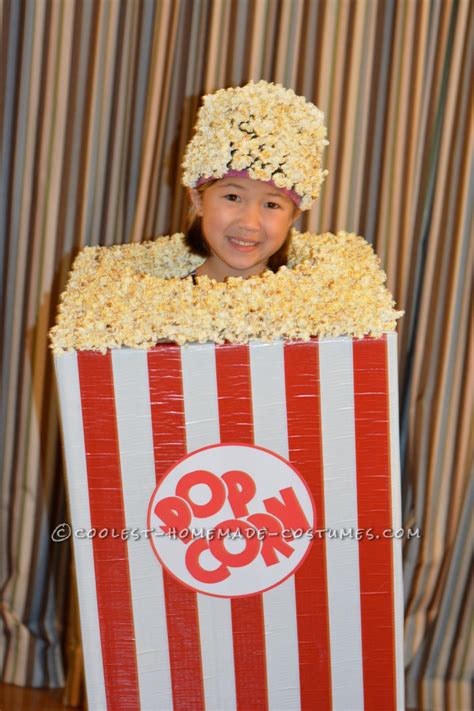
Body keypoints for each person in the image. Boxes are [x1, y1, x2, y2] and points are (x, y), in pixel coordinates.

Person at [180, 80, 328, 282]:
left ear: (294, 215)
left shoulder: (315, 309)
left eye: (271, 204)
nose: (249, 223)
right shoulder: (153, 306)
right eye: (233, 197)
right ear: (198, 200)